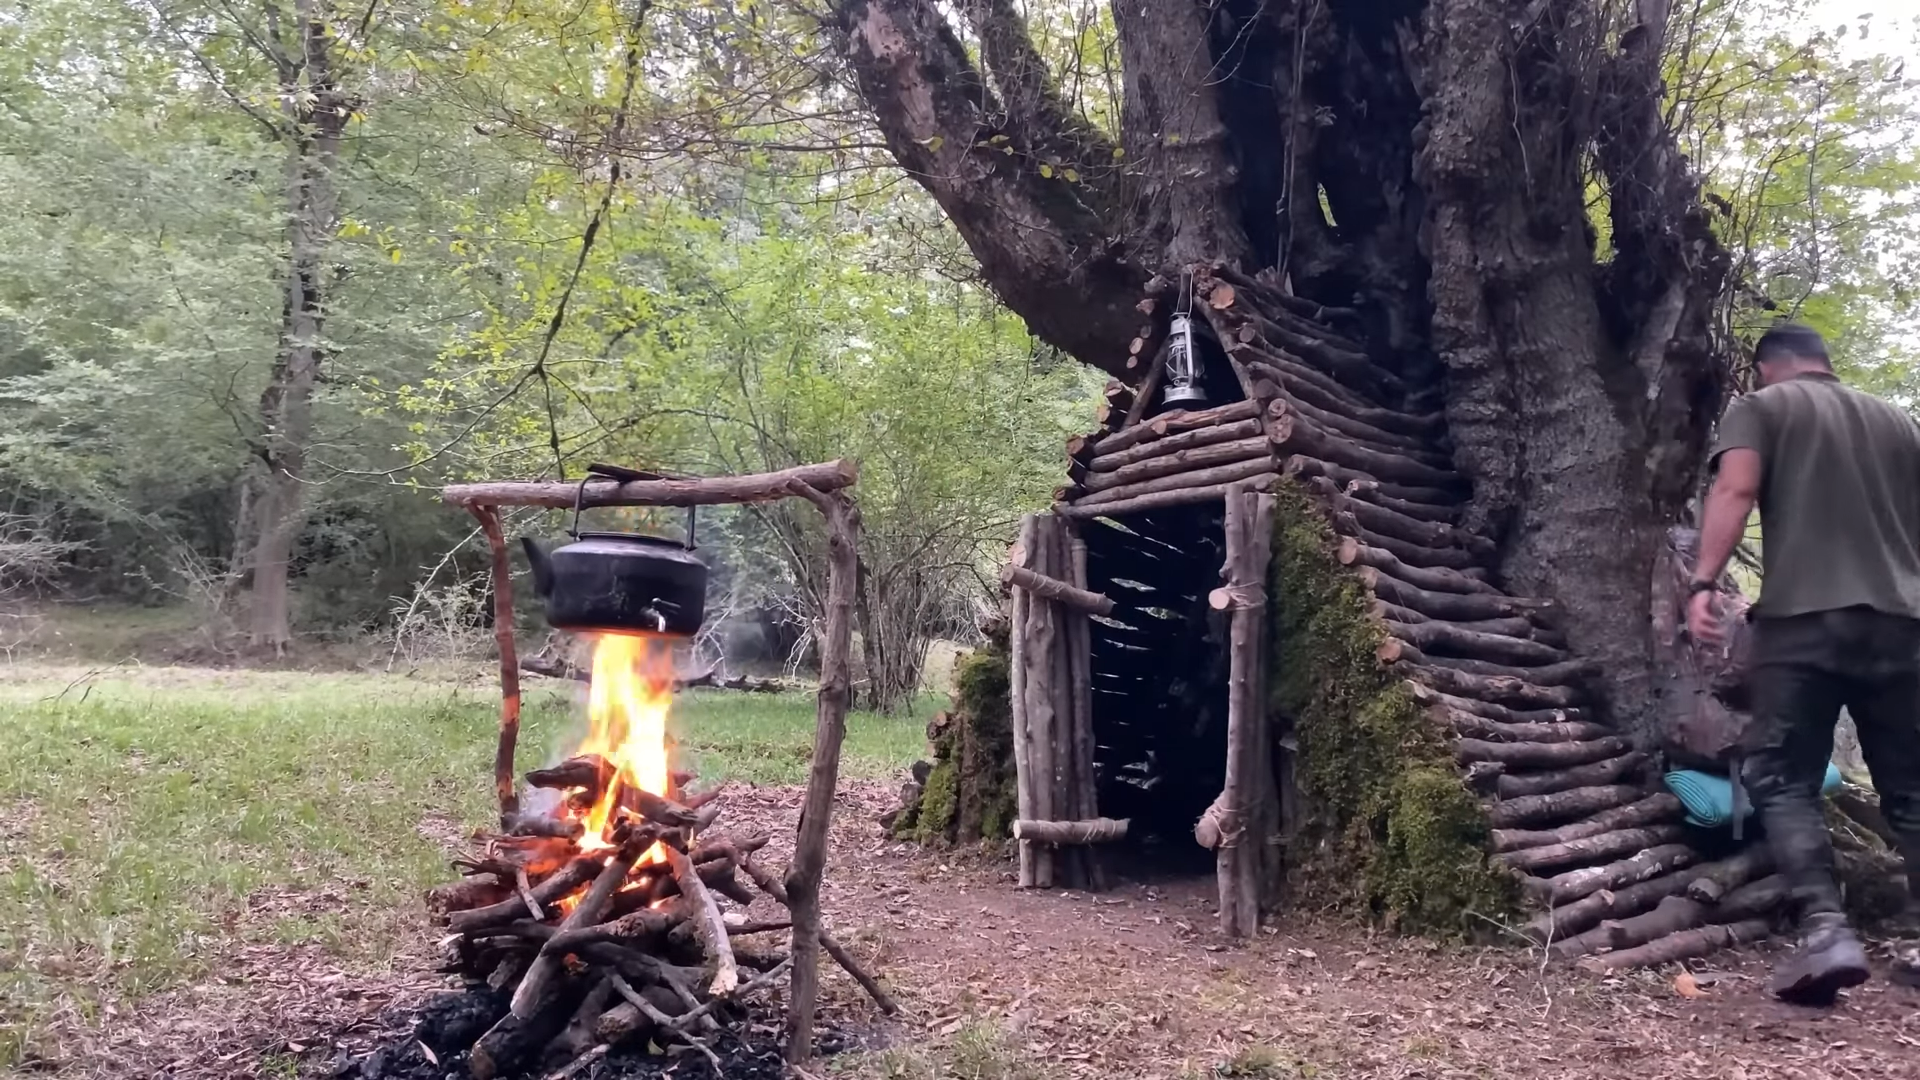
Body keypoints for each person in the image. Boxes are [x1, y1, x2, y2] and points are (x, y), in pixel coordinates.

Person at [1688, 322, 1920, 1004]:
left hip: (1805, 625)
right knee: (1911, 787)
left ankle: (1827, 933)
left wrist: (1705, 581)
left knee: (1780, 776)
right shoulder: (1899, 422)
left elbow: (1733, 491)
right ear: (1825, 360)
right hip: (1904, 627)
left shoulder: (1761, 408)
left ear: (1767, 367)